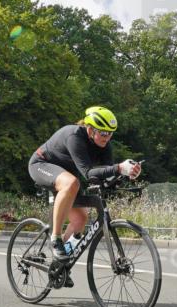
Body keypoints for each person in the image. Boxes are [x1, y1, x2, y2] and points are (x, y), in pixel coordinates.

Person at [28, 106, 141, 287]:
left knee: (81, 218)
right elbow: (89, 173)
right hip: (41, 164)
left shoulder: (105, 145)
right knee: (72, 182)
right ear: (90, 129)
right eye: (103, 133)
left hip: (67, 175)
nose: (107, 137)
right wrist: (119, 167)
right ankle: (56, 238)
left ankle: (59, 264)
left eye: (110, 133)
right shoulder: (75, 137)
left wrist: (128, 173)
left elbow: (106, 174)